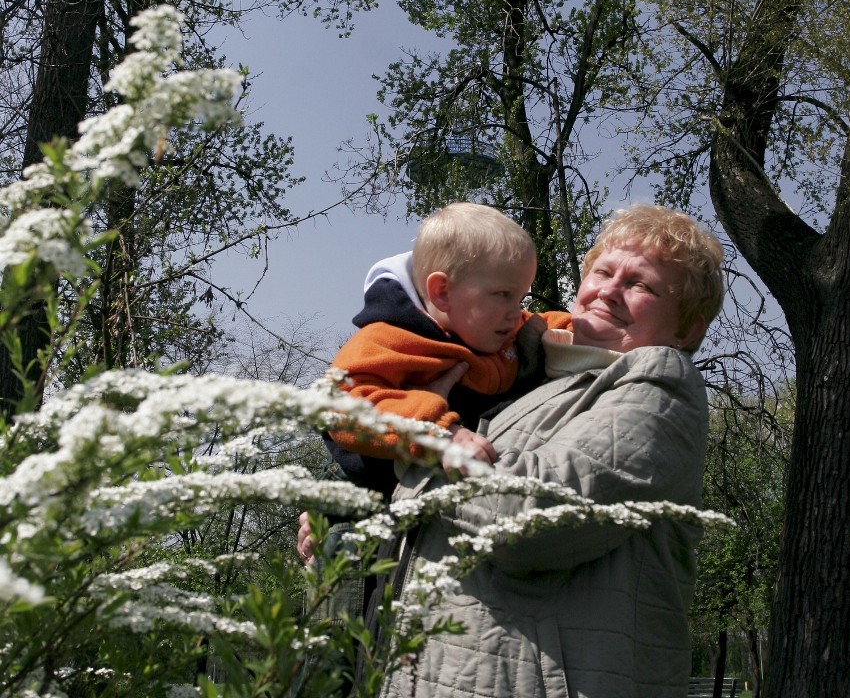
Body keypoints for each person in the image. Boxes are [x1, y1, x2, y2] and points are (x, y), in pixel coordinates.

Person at [299, 204, 725, 698]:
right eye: (603, 272)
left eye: (641, 285)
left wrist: (412, 448)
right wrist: (352, 513)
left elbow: (529, 517)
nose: (609, 290)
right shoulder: (523, 370)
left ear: (687, 326)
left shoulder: (657, 382)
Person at [322, 201, 572, 502]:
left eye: (519, 297)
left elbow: (542, 322)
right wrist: (440, 433)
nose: (514, 311)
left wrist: (578, 330)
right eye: (504, 295)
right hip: (367, 492)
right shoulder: (388, 339)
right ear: (442, 292)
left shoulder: (499, 326)